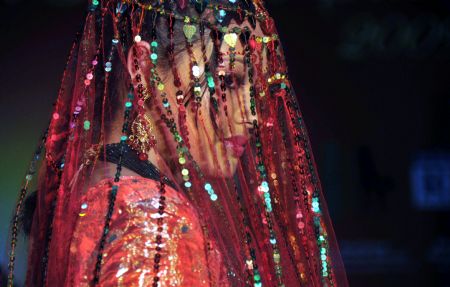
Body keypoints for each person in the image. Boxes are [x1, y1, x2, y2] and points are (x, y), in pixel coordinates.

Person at [7, 0, 349, 286]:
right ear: (143, 69)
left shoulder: (91, 180)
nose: (252, 114)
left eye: (254, 88)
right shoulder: (151, 218)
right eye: (228, 80)